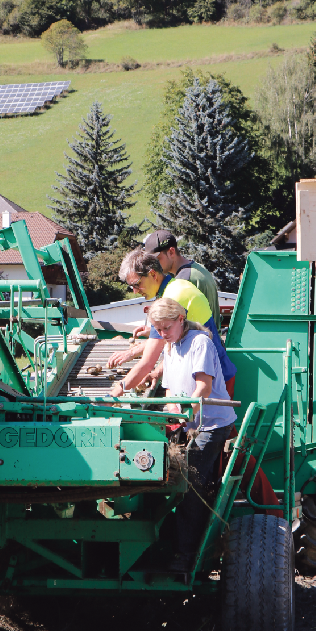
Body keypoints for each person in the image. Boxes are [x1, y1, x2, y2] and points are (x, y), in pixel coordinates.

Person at [141, 297, 236, 576]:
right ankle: (162, 545)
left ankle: (187, 555)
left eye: (166, 328)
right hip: (188, 422)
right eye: (157, 329)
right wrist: (171, 414)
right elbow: (170, 391)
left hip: (211, 423)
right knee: (160, 474)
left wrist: (182, 413)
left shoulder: (200, 343)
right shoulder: (170, 346)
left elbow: (203, 388)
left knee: (188, 482)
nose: (162, 334)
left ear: (180, 319)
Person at [107, 249, 237, 395]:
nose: (135, 291)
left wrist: (113, 394)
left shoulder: (171, 299)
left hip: (211, 384)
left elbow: (147, 362)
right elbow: (179, 342)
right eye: (132, 287)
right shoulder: (178, 285)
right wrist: (157, 373)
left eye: (137, 284)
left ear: (152, 274)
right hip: (216, 374)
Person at [143, 229, 221, 330]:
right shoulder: (197, 268)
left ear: (171, 252)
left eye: (157, 259)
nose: (154, 266)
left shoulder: (184, 280)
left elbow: (177, 328)